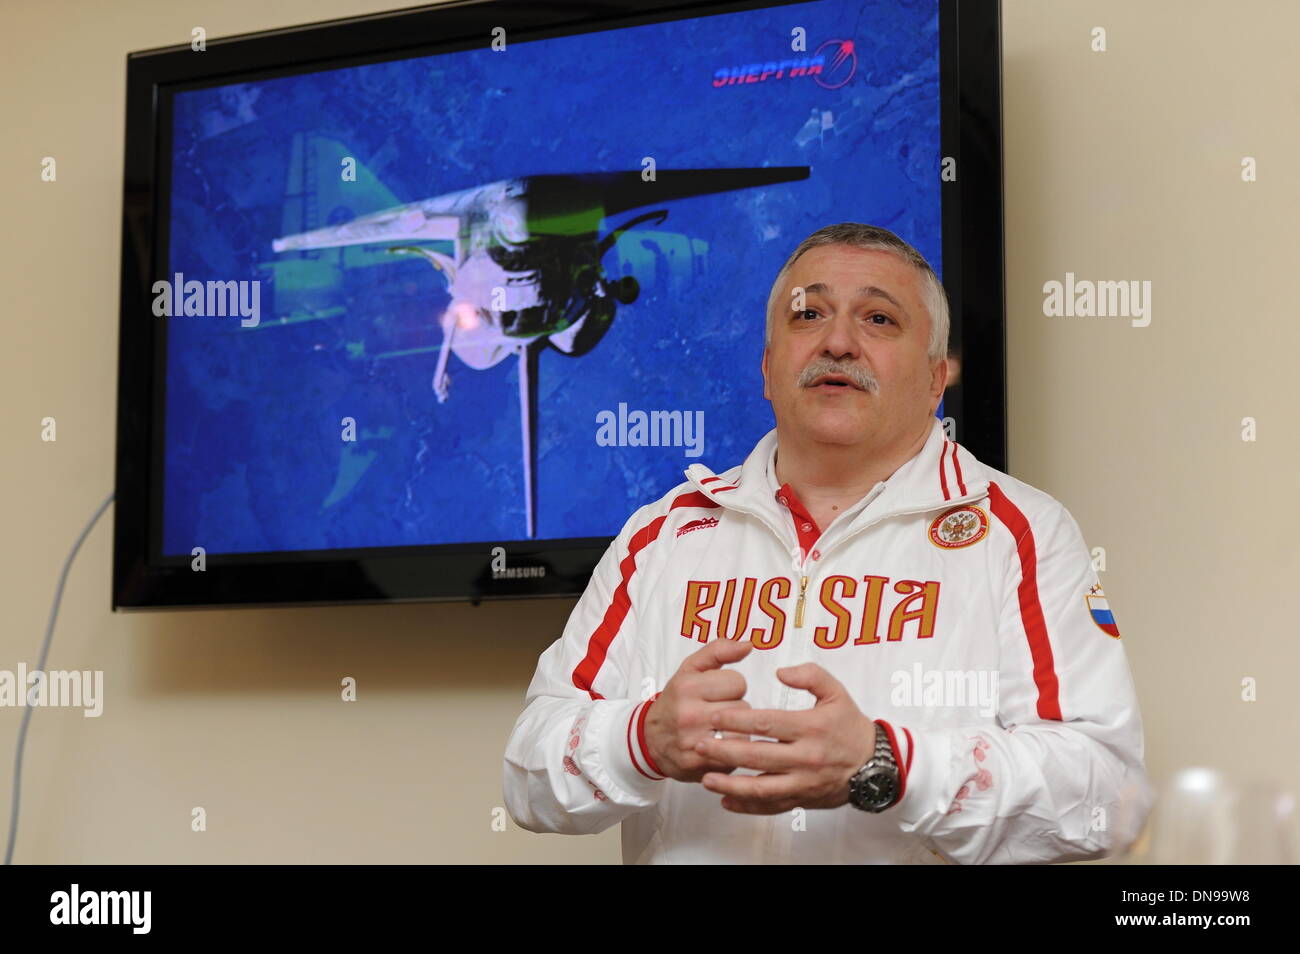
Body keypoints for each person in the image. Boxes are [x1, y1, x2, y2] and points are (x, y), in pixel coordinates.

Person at [502, 222, 1154, 864]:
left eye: (878, 319)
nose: (838, 341)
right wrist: (641, 740)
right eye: (807, 314)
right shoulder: (664, 534)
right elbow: (528, 775)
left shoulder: (1019, 534)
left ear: (935, 378)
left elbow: (1107, 795)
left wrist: (888, 765)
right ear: (766, 367)